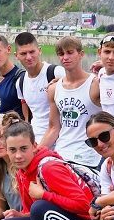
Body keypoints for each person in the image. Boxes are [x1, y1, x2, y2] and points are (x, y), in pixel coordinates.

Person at [39, 36, 101, 169]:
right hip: (62, 155)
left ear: (81, 54)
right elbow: (53, 128)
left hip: (89, 158)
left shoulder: (96, 84)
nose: (65, 57)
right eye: (61, 54)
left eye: (70, 52)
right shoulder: (54, 88)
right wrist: (36, 153)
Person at [14, 32, 63, 143]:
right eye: (23, 53)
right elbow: (27, 114)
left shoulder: (56, 72)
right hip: (34, 139)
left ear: (39, 50)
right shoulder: (20, 82)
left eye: (32, 52)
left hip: (59, 140)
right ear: (16, 56)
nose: (29, 57)